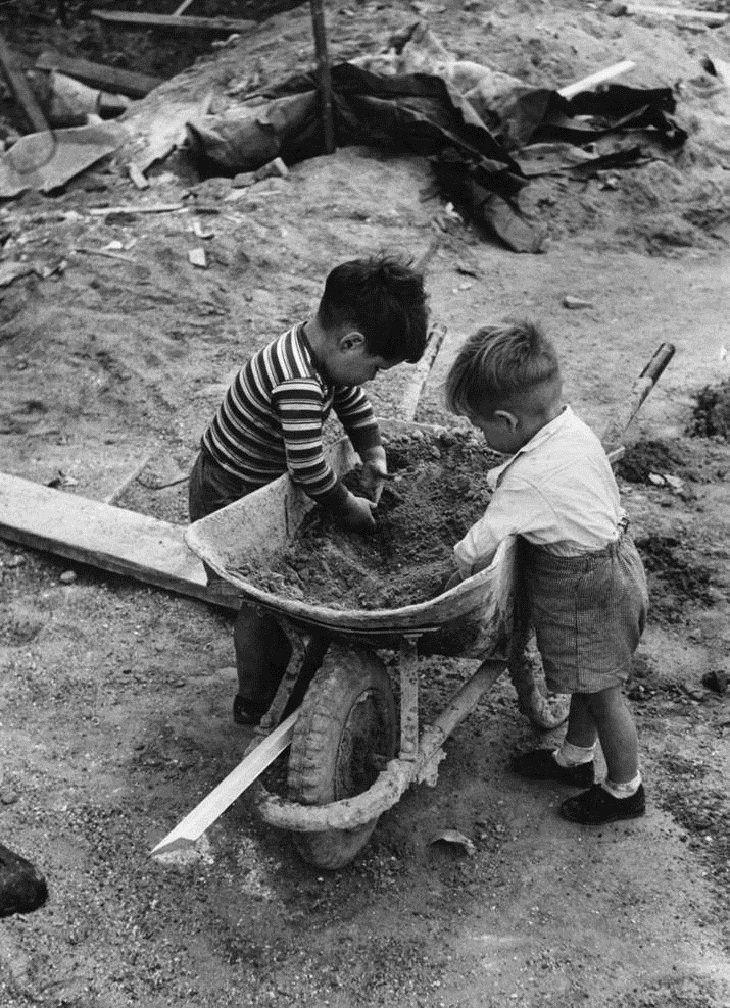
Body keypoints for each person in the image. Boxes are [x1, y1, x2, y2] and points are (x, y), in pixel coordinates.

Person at [189, 254, 430, 727]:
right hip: (230, 490)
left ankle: (280, 650)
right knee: (260, 604)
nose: (374, 378)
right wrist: (348, 510)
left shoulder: (319, 352)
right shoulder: (298, 380)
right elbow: (308, 470)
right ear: (351, 342)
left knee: (270, 603)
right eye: (377, 367)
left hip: (256, 475)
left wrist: (373, 454)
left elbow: (352, 400)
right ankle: (255, 700)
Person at [443, 320, 649, 825]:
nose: (478, 434)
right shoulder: (572, 429)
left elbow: (479, 544)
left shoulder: (528, 479)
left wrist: (450, 576)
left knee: (602, 692)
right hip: (617, 564)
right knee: (588, 678)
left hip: (587, 588)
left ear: (508, 421)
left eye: (479, 425)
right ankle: (575, 759)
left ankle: (625, 789)